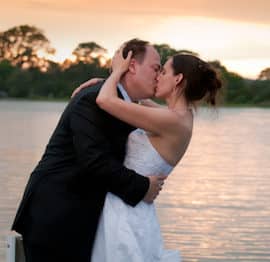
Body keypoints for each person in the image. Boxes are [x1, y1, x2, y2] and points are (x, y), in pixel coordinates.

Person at [11, 39, 166, 262]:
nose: (158, 75)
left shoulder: (122, 103)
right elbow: (93, 161)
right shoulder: (94, 98)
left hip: (81, 218)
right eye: (155, 67)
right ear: (131, 65)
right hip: (56, 215)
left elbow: (170, 121)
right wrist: (143, 187)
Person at [72, 45, 222, 261]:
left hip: (126, 213)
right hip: (134, 208)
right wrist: (101, 83)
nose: (158, 77)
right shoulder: (177, 116)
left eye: (163, 72)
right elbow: (133, 99)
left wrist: (117, 71)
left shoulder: (171, 121)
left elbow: (105, 101)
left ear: (178, 79)